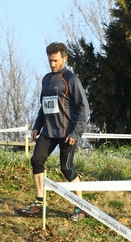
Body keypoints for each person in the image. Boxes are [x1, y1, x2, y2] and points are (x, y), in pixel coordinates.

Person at [18, 42, 89, 221]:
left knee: (66, 168)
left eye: (56, 60)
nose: (52, 64)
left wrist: (76, 133)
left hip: (67, 133)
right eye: (50, 60)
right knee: (36, 160)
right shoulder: (46, 79)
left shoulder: (71, 79)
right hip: (49, 131)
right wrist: (36, 126)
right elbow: (44, 107)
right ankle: (40, 202)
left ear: (65, 59)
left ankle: (80, 207)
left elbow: (83, 107)